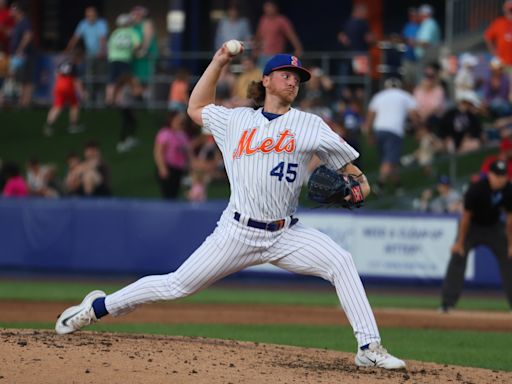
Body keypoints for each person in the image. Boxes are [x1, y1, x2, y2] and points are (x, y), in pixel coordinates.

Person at [55, 45, 406, 370]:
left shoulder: (310, 125)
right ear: (265, 80)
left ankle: (368, 349)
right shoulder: (236, 120)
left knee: (340, 261)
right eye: (286, 74)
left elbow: (354, 173)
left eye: (298, 77)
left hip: (286, 232)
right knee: (177, 285)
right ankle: (96, 308)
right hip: (237, 231)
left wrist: (360, 189)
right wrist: (221, 59)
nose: (293, 80)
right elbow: (195, 108)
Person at [440, 159, 512, 312]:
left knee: (509, 259)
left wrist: (511, 244)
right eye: (497, 175)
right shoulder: (477, 189)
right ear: (489, 175)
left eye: (503, 175)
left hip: (494, 228)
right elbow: (465, 218)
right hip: (472, 227)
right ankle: (447, 304)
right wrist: (460, 242)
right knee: (458, 256)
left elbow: (510, 220)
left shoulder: (509, 190)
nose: (500, 179)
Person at [364, 77, 419, 194]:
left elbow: (370, 116)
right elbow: (414, 115)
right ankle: (380, 185)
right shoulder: (405, 96)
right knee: (389, 161)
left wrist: (369, 134)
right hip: (395, 130)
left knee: (389, 161)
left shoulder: (379, 96)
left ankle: (399, 186)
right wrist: (417, 129)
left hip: (379, 129)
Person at [66, 6, 108, 104]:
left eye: (92, 15)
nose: (90, 17)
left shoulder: (101, 24)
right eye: (88, 15)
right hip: (89, 56)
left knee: (100, 78)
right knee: (89, 78)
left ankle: (100, 103)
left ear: (96, 15)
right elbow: (76, 37)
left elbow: (103, 38)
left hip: (101, 56)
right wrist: (68, 49)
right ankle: (90, 102)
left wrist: (102, 51)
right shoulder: (83, 24)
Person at [43, 55, 85, 137]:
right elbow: (76, 81)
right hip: (68, 85)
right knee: (75, 105)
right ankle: (73, 125)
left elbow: (56, 73)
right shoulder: (74, 66)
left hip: (59, 84)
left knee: (57, 106)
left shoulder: (64, 62)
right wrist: (82, 92)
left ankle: (49, 125)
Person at [253, 1, 303, 69]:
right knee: (261, 77)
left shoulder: (282, 20)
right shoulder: (263, 19)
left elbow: (291, 35)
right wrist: (255, 49)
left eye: (270, 7)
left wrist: (298, 48)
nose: (267, 9)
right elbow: (258, 36)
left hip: (276, 55)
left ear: (275, 8)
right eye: (266, 7)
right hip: (263, 55)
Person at [105, 14, 141, 105]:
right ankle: (120, 100)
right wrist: (134, 52)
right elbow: (137, 45)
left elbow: (109, 46)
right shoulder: (131, 32)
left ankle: (109, 100)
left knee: (112, 80)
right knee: (124, 81)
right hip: (125, 59)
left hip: (113, 59)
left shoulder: (115, 33)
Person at [153, 111, 189, 199]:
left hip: (179, 169)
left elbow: (187, 151)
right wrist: (162, 168)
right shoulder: (165, 133)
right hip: (168, 167)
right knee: (168, 194)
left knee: (175, 193)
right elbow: (158, 152)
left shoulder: (182, 135)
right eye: (177, 120)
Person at [9, 1, 35, 107]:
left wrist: (20, 50)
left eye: (13, 8)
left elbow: (28, 36)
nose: (11, 10)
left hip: (25, 56)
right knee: (21, 80)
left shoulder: (25, 22)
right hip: (19, 56)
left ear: (19, 11)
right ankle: (21, 102)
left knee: (27, 80)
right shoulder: (18, 23)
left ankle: (25, 103)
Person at [130, 6, 158, 99]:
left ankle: (147, 101)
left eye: (138, 14)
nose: (136, 16)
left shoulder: (146, 23)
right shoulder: (132, 25)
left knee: (147, 79)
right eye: (134, 14)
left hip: (146, 56)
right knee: (136, 79)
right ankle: (138, 99)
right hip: (136, 57)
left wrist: (143, 51)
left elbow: (147, 40)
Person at [484, 1, 512, 72]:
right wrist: (493, 50)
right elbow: (487, 36)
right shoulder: (499, 23)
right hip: (501, 63)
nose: (510, 12)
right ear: (505, 10)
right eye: (509, 10)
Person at [414, 4, 441, 72]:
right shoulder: (429, 23)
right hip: (427, 58)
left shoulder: (429, 24)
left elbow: (425, 43)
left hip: (426, 59)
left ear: (424, 14)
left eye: (420, 14)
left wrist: (413, 42)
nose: (418, 16)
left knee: (424, 81)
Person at [401, 7, 420, 89]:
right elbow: (403, 38)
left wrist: (415, 42)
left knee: (417, 81)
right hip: (407, 57)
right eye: (411, 15)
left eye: (414, 15)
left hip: (418, 58)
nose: (413, 17)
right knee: (407, 80)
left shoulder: (421, 26)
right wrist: (408, 41)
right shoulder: (407, 26)